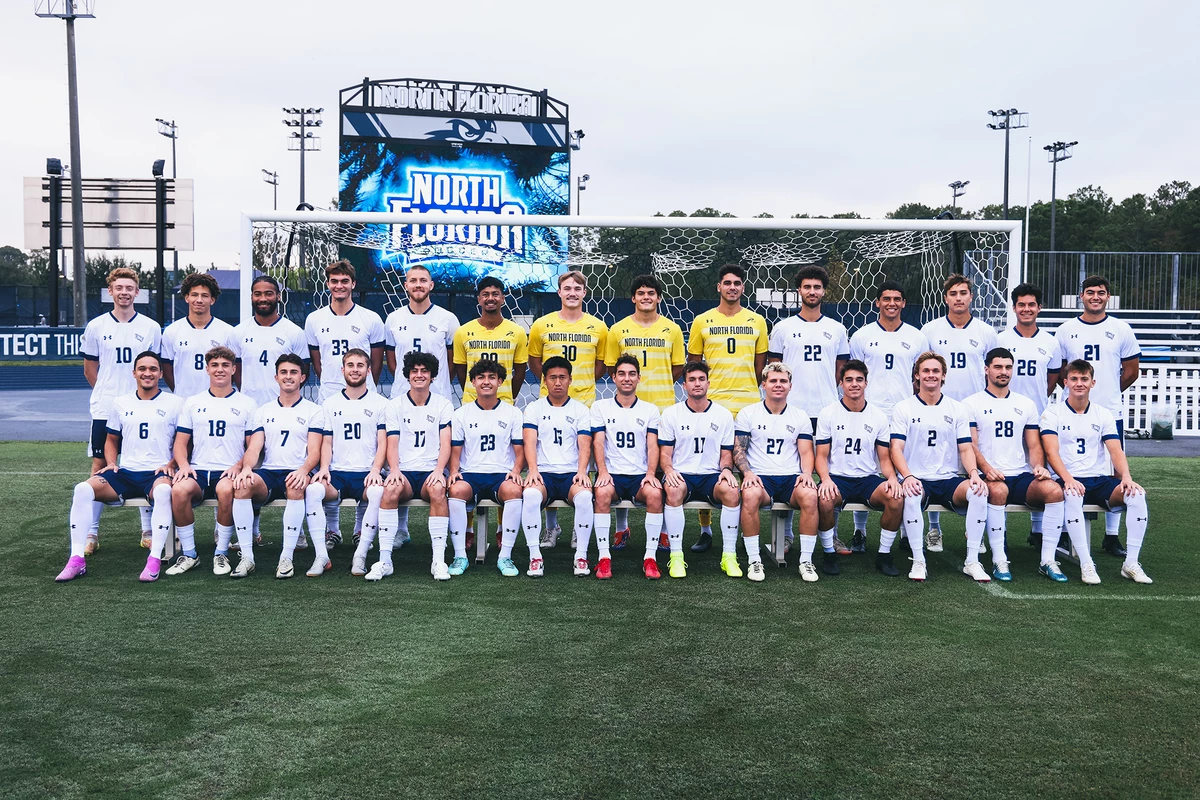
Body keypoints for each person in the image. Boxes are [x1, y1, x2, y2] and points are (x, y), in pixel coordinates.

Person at [56, 351, 180, 583]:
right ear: (134, 373)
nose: (147, 373)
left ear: (161, 374)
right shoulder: (121, 403)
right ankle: (76, 559)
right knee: (82, 489)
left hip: (156, 474)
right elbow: (111, 439)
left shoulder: (176, 403)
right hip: (125, 472)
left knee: (164, 491)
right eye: (142, 369)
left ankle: (154, 560)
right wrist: (112, 463)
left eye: (153, 369)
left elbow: (184, 442)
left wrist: (172, 463)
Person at [1040, 359, 1153, 584]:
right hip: (1068, 479)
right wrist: (1068, 479)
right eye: (1074, 379)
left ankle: (1131, 563)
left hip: (1099, 479)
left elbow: (1115, 450)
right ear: (1065, 382)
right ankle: (1086, 563)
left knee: (1137, 495)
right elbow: (1051, 453)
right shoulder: (1053, 413)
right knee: (1072, 494)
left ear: (1093, 382)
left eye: (1084, 379)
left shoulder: (1103, 414)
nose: (1079, 383)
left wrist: (1127, 478)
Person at [1053, 275, 1141, 558]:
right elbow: (1061, 372)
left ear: (1107, 297)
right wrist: (1078, 395)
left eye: (1100, 293)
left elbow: (1131, 371)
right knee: (1069, 467)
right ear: (1081, 296)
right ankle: (1066, 534)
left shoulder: (1121, 328)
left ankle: (1112, 536)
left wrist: (1105, 393)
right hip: (1074, 412)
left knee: (1116, 471)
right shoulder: (1066, 330)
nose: (1095, 296)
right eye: (1090, 292)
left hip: (1109, 412)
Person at [964, 348, 1067, 582]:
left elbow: (1033, 445)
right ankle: (999, 558)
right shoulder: (971, 403)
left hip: (1019, 474)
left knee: (1053, 491)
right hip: (987, 474)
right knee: (998, 491)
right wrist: (986, 468)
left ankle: (1048, 560)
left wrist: (1039, 466)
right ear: (986, 369)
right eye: (998, 367)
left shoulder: (1026, 404)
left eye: (1008, 367)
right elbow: (971, 444)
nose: (1003, 372)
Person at [686, 264, 769, 552]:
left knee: (749, 467)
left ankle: (752, 534)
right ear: (718, 287)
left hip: (747, 403)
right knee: (707, 465)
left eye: (737, 283)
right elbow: (695, 363)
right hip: (712, 405)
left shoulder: (757, 321)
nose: (732, 287)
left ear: (743, 287)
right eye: (727, 283)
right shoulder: (701, 321)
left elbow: (761, 367)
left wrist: (749, 388)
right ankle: (706, 530)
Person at [766, 265, 849, 554]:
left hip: (826, 411)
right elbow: (773, 367)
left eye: (817, 287)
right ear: (799, 291)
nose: (812, 291)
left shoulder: (837, 329)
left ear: (824, 291)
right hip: (792, 412)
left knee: (829, 471)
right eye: (807, 287)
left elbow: (841, 370)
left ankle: (832, 534)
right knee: (792, 471)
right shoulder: (783, 328)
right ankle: (787, 536)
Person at [79, 267, 162, 553]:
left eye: (129, 288)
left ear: (137, 292)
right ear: (110, 292)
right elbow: (91, 369)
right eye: (119, 288)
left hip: (144, 407)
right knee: (100, 465)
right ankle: (91, 534)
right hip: (105, 408)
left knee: (146, 462)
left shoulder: (151, 327)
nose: (124, 292)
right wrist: (110, 396)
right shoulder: (96, 326)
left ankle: (148, 530)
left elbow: (154, 368)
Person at [304, 260, 386, 550]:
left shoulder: (371, 318)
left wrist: (364, 384)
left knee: (364, 452)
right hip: (329, 395)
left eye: (344, 281)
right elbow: (318, 360)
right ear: (328, 284)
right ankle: (333, 529)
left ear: (353, 284)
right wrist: (334, 382)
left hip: (365, 396)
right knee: (334, 457)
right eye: (334, 281)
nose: (339, 285)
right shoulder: (314, 319)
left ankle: (358, 527)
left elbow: (376, 362)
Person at [888, 352, 990, 583]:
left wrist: (974, 473)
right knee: (911, 495)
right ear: (917, 375)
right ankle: (918, 561)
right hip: (917, 477)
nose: (931, 375)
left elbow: (966, 448)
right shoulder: (904, 408)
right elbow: (896, 449)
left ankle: (972, 561)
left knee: (979, 491)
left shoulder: (957, 408)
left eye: (936, 371)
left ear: (944, 375)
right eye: (926, 371)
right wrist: (908, 476)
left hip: (948, 478)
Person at [604, 274, 685, 549]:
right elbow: (611, 368)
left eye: (651, 292)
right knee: (622, 462)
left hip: (662, 406)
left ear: (659, 297)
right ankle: (621, 527)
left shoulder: (672, 329)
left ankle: (662, 530)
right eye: (641, 293)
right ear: (633, 298)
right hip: (626, 406)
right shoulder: (618, 330)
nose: (646, 297)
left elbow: (677, 368)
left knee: (658, 468)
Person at [527, 271, 608, 547]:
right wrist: (554, 383)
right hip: (549, 403)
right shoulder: (541, 325)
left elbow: (601, 365)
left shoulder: (599, 327)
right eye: (567, 288)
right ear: (559, 292)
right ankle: (552, 527)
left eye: (577, 288)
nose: (572, 292)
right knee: (550, 462)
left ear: (584, 292)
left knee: (581, 466)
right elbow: (536, 363)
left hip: (584, 403)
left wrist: (581, 384)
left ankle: (578, 527)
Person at [847, 282, 928, 554]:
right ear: (877, 302)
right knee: (868, 467)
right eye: (886, 299)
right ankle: (859, 531)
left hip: (904, 412)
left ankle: (907, 531)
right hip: (870, 412)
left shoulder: (916, 337)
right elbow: (855, 374)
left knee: (905, 468)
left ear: (904, 303)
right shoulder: (862, 336)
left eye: (897, 299)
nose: (891, 303)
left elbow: (920, 379)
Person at [920, 274, 999, 552]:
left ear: (971, 297)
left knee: (971, 472)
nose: (958, 298)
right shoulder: (929, 330)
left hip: (975, 410)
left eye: (963, 293)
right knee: (934, 468)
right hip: (937, 409)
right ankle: (934, 529)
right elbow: (923, 370)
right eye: (953, 293)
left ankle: (973, 534)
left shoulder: (987, 332)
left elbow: (995, 368)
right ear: (945, 298)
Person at [382, 265, 459, 548]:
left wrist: (434, 383)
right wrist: (409, 381)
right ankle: (400, 529)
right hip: (404, 399)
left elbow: (451, 359)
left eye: (422, 280)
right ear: (405, 285)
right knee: (402, 459)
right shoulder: (392, 319)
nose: (418, 284)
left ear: (431, 285)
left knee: (436, 462)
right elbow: (393, 361)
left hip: (437, 399)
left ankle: (448, 535)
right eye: (412, 280)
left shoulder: (447, 319)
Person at [230, 354, 326, 579]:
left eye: (293, 372)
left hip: (297, 470)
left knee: (295, 486)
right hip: (270, 472)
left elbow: (314, 452)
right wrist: (246, 469)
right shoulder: (263, 411)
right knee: (243, 485)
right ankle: (247, 557)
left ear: (302, 377)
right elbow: (254, 449)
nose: (288, 377)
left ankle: (286, 557)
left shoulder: (314, 410)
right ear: (276, 377)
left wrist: (303, 471)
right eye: (283, 372)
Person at [164, 346, 258, 577]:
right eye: (215, 365)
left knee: (227, 490)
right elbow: (180, 442)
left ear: (234, 369)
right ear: (207, 369)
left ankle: (221, 552)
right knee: (178, 491)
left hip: (227, 470)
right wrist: (184, 466)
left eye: (225, 365)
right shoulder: (193, 402)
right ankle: (190, 554)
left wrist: (238, 466)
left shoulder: (247, 403)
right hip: (198, 469)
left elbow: (253, 445)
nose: (220, 370)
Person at [814, 360, 904, 577]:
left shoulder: (879, 416)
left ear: (866, 383)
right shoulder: (828, 413)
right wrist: (825, 479)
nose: (854, 384)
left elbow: (884, 458)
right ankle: (828, 553)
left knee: (896, 497)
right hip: (837, 477)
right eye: (849, 380)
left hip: (867, 479)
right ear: (841, 384)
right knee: (825, 500)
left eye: (859, 380)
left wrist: (891, 478)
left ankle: (884, 555)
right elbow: (821, 456)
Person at [308, 349, 391, 579]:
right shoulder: (330, 403)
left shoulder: (381, 404)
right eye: (351, 365)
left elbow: (382, 442)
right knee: (314, 489)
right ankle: (321, 555)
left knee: (376, 492)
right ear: (342, 369)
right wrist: (324, 468)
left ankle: (361, 554)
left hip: (366, 472)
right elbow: (327, 441)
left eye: (360, 365)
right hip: (338, 473)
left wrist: (376, 469)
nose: (355, 369)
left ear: (369, 369)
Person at [733, 362, 818, 583]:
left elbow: (807, 451)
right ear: (764, 385)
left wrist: (807, 474)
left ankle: (806, 561)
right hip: (761, 476)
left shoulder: (800, 416)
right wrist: (748, 473)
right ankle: (754, 559)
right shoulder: (748, 413)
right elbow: (739, 450)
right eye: (773, 381)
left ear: (790, 386)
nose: (778, 385)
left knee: (810, 495)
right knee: (750, 495)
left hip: (791, 477)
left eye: (783, 381)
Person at [447, 360, 532, 577]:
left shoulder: (512, 413)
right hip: (471, 474)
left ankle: (505, 555)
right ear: (473, 382)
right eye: (481, 377)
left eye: (492, 377)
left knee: (514, 490)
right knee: (456, 491)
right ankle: (460, 556)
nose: (486, 382)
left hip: (500, 474)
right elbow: (455, 450)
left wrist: (515, 470)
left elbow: (520, 451)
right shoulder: (461, 414)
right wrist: (455, 470)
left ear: (500, 382)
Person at [658, 361, 741, 579]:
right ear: (684, 385)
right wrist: (668, 470)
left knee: (732, 491)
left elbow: (726, 453)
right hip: (682, 474)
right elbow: (665, 454)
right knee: (674, 490)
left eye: (701, 379)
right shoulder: (671, 414)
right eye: (692, 380)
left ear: (708, 383)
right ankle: (676, 557)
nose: (697, 384)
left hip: (710, 476)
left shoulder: (723, 415)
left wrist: (726, 469)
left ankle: (729, 556)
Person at [995, 283, 1063, 548]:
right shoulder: (1001, 339)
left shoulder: (1050, 341)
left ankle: (1037, 530)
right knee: (1004, 470)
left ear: (1039, 308)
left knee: (1038, 470)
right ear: (1014, 308)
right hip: (1004, 415)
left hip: (1037, 416)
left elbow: (1052, 378)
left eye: (1031, 304)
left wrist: (1034, 403)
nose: (1026, 309)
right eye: (1021, 305)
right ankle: (992, 532)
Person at [591, 354, 666, 579]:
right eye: (621, 374)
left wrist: (651, 474)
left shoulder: (650, 410)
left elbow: (652, 446)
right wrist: (602, 471)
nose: (627, 378)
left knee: (655, 494)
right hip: (612, 475)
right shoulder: (600, 407)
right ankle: (604, 558)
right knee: (602, 493)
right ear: (613, 377)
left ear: (639, 378)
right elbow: (598, 442)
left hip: (638, 476)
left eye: (632, 374)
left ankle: (650, 558)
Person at [521, 357, 598, 576]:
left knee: (584, 497)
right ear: (545, 381)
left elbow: (585, 445)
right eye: (552, 378)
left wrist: (582, 471)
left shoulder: (581, 410)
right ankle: (535, 557)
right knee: (531, 496)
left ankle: (581, 556)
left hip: (571, 474)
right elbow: (529, 442)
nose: (557, 382)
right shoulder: (534, 408)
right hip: (544, 472)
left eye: (562, 377)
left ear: (570, 380)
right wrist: (533, 470)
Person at [382, 351, 454, 580]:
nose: (419, 375)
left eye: (424, 371)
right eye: (414, 371)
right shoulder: (395, 406)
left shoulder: (443, 405)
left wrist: (438, 471)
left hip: (430, 470)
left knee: (438, 490)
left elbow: (446, 444)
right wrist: (394, 470)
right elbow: (391, 443)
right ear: (408, 375)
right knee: (390, 489)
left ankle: (438, 561)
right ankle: (384, 561)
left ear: (432, 376)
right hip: (403, 470)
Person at [230, 275, 309, 406]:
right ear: (251, 297)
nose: (263, 299)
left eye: (268, 294)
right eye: (257, 294)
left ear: (278, 297)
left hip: (283, 407)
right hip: (250, 408)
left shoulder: (294, 332)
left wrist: (286, 397)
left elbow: (303, 370)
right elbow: (236, 371)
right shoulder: (238, 332)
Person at [452, 276, 528, 405]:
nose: (491, 298)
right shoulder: (462, 331)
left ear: (503, 299)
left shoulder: (517, 332)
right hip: (471, 403)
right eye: (485, 294)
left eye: (495, 294)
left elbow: (520, 371)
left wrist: (508, 396)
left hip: (504, 404)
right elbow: (461, 370)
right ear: (479, 300)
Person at [162, 273, 236, 404]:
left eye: (205, 296)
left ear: (212, 300)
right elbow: (167, 368)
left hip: (218, 402)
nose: (199, 300)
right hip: (183, 403)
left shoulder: (227, 331)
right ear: (186, 298)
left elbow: (233, 369)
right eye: (194, 295)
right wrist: (180, 391)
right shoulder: (172, 331)